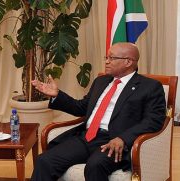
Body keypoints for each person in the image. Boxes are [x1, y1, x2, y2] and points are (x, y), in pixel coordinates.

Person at [30, 42, 166, 181]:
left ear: (128, 62)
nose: (106, 62)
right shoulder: (101, 81)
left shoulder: (150, 87)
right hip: (87, 137)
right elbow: (81, 107)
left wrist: (124, 138)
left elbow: (153, 120)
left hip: (114, 142)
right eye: (106, 57)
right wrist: (57, 95)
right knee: (44, 161)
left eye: (111, 58)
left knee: (95, 166)